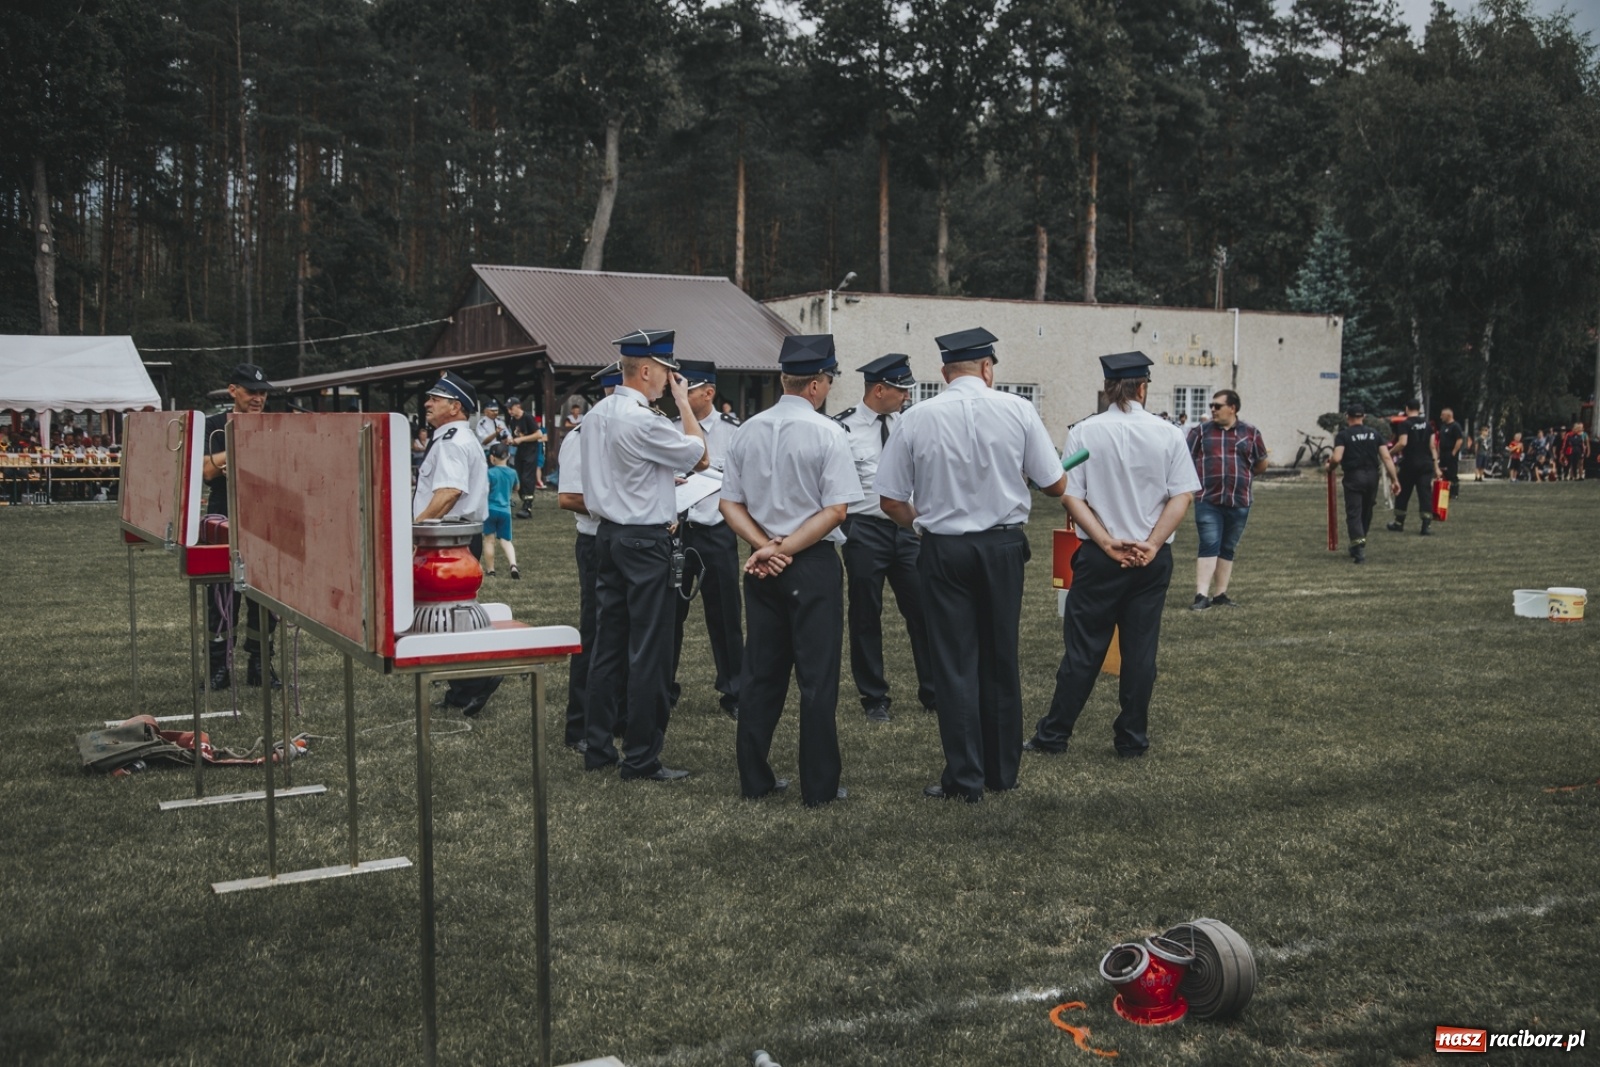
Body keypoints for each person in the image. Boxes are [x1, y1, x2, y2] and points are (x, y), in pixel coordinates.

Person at [878, 327, 1066, 802]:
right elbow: (1055, 486)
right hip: (1002, 547)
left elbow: (890, 500)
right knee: (1001, 657)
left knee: (954, 663)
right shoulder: (1018, 409)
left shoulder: (917, 416)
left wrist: (921, 523)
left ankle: (964, 779)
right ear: (987, 368)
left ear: (944, 373)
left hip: (943, 549)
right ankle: (1002, 772)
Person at [1026, 351, 1198, 761]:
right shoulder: (1169, 433)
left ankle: (1054, 735)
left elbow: (1071, 495)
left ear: (1108, 388)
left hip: (1100, 556)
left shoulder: (1085, 431)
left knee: (1083, 649)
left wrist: (1104, 541)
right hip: (1149, 558)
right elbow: (1182, 495)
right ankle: (1132, 739)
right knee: (1140, 652)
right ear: (1143, 387)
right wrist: (1153, 544)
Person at [720, 334, 861, 806]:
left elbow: (728, 503)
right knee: (817, 677)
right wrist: (786, 549)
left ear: (785, 379)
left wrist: (764, 547)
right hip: (812, 561)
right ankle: (818, 787)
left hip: (762, 564)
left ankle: (754, 778)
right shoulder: (828, 433)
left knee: (761, 671)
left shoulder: (746, 429)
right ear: (819, 384)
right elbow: (836, 511)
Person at [580, 330, 708, 781]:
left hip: (608, 535)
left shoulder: (597, 414)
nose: (670, 380)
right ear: (648, 370)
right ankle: (641, 757)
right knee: (650, 649)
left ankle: (597, 747)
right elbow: (699, 454)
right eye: (668, 373)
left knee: (607, 646)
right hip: (643, 540)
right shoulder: (643, 419)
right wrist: (685, 404)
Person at [833, 353, 936, 722]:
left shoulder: (910, 424)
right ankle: (874, 697)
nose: (907, 397)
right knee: (865, 614)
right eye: (902, 390)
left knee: (923, 610)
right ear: (880, 390)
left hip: (908, 527)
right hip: (866, 530)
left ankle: (933, 691)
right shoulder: (842, 428)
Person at [414, 371, 501, 717]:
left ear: (455, 406)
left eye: (435, 398)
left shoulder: (450, 439)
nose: (427, 403)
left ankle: (475, 680)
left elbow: (449, 492)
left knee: (444, 617)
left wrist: (414, 529)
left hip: (446, 538)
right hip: (459, 536)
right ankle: (463, 687)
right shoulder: (459, 437)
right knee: (453, 616)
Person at [669, 359, 744, 720]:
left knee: (726, 615)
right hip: (678, 532)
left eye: (688, 389)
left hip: (717, 531)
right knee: (670, 615)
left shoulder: (734, 431)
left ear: (708, 392)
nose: (678, 394)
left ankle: (734, 691)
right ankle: (664, 687)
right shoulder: (669, 428)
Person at [557, 363, 623, 752]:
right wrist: (623, 507)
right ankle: (580, 726)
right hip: (596, 541)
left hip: (624, 539)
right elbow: (568, 497)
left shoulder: (623, 431)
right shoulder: (582, 436)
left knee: (622, 632)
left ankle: (613, 716)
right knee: (596, 632)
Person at [202, 363, 279, 690]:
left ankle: (260, 664)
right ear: (233, 390)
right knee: (222, 594)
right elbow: (206, 470)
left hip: (266, 514)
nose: (258, 398)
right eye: (252, 392)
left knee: (265, 596)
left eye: (263, 393)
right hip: (224, 513)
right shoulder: (214, 426)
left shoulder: (275, 427)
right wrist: (241, 449)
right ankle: (218, 668)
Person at [1186, 388, 1268, 611]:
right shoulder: (1200, 432)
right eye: (1211, 406)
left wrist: (1245, 476)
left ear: (1232, 408)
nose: (1212, 409)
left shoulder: (1251, 432)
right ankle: (1201, 595)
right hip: (1208, 499)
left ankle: (1220, 594)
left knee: (1228, 547)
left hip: (1239, 500)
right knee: (1209, 543)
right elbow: (1185, 458)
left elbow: (1261, 462)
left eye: (1217, 406)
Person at [1326, 404, 1400, 564]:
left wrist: (1329, 467)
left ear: (1348, 417)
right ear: (1363, 417)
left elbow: (1337, 458)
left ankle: (1358, 549)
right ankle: (1360, 541)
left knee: (1354, 512)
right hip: (1372, 476)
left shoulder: (1343, 435)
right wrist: (1394, 480)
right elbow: (1387, 458)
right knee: (1367, 510)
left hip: (1354, 476)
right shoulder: (1375, 434)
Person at [1386, 399, 1440, 534]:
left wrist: (1389, 453)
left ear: (1407, 408)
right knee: (1425, 494)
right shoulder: (1428, 424)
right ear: (1419, 408)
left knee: (1403, 493)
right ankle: (1426, 526)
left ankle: (1399, 523)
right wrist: (1436, 466)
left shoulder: (1405, 424)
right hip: (1426, 463)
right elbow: (1432, 446)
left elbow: (1403, 443)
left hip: (1410, 463)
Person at [482, 444, 520, 579]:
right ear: (508, 456)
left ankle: (491, 570)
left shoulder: (489, 473)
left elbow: (485, 490)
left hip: (490, 509)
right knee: (506, 540)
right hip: (506, 511)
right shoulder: (512, 472)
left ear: (492, 457)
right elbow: (517, 487)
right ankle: (513, 565)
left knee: (489, 540)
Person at [505, 396, 546, 516]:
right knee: (519, 477)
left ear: (518, 407)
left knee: (527, 478)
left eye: (511, 408)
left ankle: (527, 507)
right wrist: (512, 441)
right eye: (508, 409)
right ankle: (524, 501)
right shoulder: (513, 421)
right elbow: (517, 436)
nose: (509, 412)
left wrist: (522, 439)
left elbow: (538, 434)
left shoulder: (527, 417)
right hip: (520, 452)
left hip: (531, 451)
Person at [1437, 407, 1465, 502]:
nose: (1441, 417)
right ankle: (1444, 492)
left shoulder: (1455, 426)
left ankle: (1454, 493)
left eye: (1443, 415)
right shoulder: (1443, 426)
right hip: (1443, 453)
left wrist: (1453, 452)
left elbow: (1459, 440)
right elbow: (1440, 439)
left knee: (1452, 473)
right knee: (1443, 473)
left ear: (1449, 415)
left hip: (1450, 452)